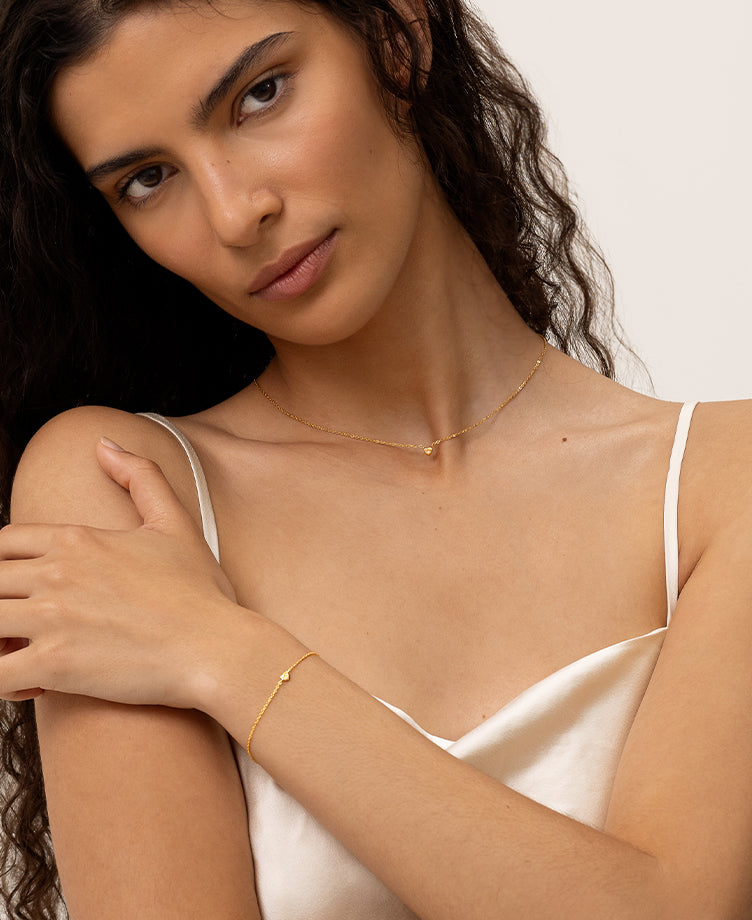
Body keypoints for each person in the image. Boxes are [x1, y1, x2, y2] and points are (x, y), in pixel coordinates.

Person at [0, 0, 751, 918]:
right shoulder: (124, 484)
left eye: (259, 95)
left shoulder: (725, 482)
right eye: (148, 180)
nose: (236, 214)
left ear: (398, 34)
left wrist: (226, 655)